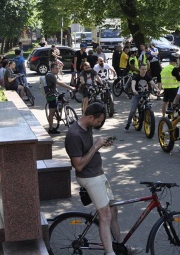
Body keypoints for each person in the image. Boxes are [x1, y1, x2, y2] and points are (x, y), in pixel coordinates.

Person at [65, 102, 143, 255]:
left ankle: (119, 247)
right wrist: (96, 146)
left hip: (98, 174)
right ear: (90, 116)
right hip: (89, 178)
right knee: (105, 215)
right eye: (98, 121)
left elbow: (88, 150)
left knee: (113, 210)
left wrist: (100, 144)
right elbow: (78, 165)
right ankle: (110, 252)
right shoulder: (74, 135)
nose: (99, 124)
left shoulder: (87, 127)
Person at [45, 63, 76, 134]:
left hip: (55, 93)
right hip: (51, 96)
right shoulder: (50, 76)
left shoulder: (53, 75)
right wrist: (70, 87)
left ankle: (65, 115)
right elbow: (59, 83)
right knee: (52, 113)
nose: (58, 70)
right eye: (56, 68)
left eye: (58, 68)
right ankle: (50, 128)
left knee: (64, 101)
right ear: (52, 69)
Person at [125, 65, 159, 130]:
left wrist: (157, 89)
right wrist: (134, 90)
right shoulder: (136, 77)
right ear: (140, 70)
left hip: (145, 94)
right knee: (132, 110)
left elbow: (153, 83)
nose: (144, 71)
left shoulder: (147, 77)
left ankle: (147, 115)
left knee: (148, 105)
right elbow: (133, 84)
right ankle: (128, 123)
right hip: (136, 94)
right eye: (142, 69)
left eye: (145, 69)